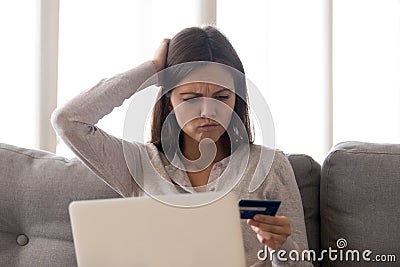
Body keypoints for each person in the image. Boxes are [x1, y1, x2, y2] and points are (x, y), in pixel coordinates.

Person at [51, 25, 312, 266]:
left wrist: (282, 247)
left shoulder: (269, 165)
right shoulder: (139, 164)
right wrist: (153, 69)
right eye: (190, 98)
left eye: (222, 97)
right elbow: (68, 120)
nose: (208, 111)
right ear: (169, 101)